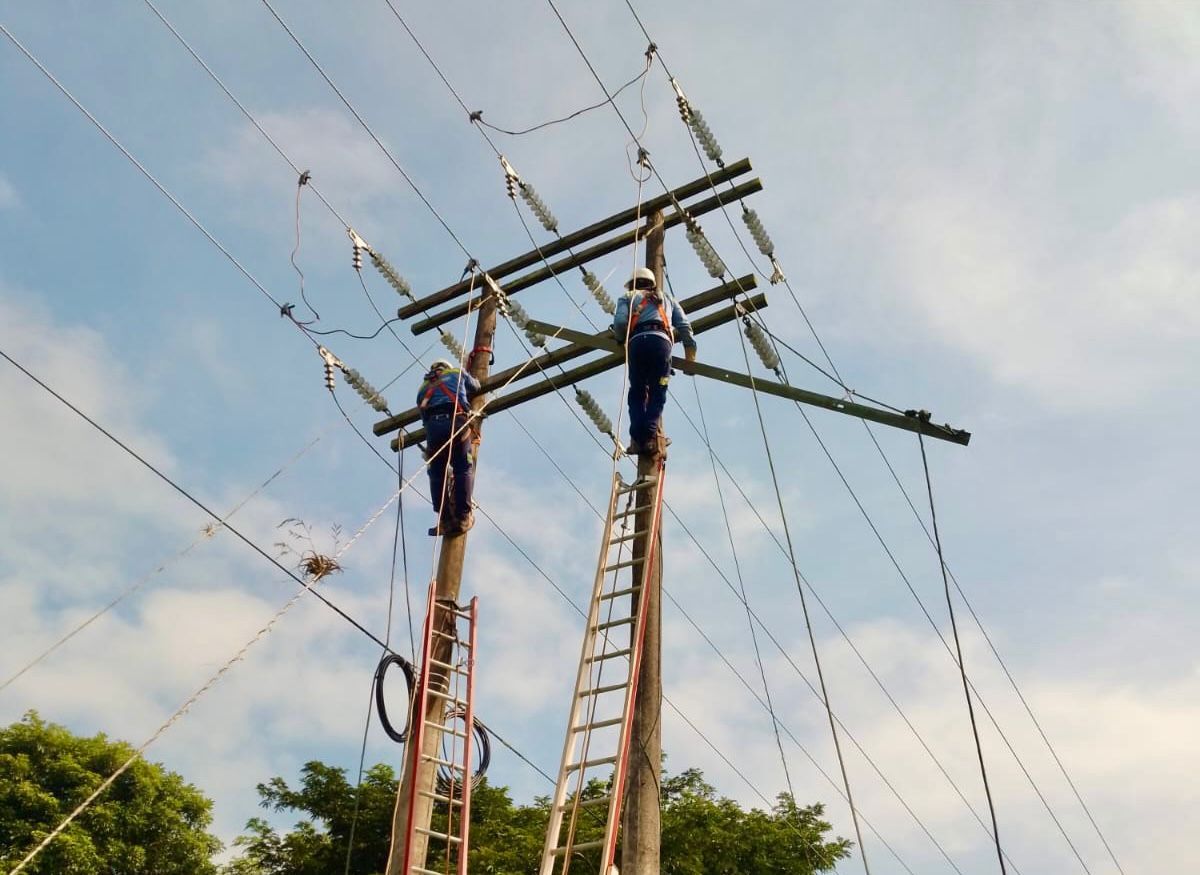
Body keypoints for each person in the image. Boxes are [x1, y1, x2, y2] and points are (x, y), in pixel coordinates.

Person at [611, 267, 697, 456]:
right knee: (659, 389)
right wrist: (690, 351)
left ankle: (638, 438)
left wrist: (620, 339)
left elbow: (619, 323)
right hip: (661, 346)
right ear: (652, 283)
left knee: (637, 392)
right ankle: (649, 437)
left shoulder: (627, 297)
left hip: (637, 346)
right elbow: (684, 326)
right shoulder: (667, 299)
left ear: (633, 284)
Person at [416, 358, 481, 535]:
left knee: (437, 474)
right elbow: (476, 387)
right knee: (462, 468)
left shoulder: (422, 388)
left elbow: (423, 416)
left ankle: (444, 519)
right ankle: (462, 517)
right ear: (447, 367)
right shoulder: (456, 373)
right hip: (456, 421)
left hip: (433, 429)